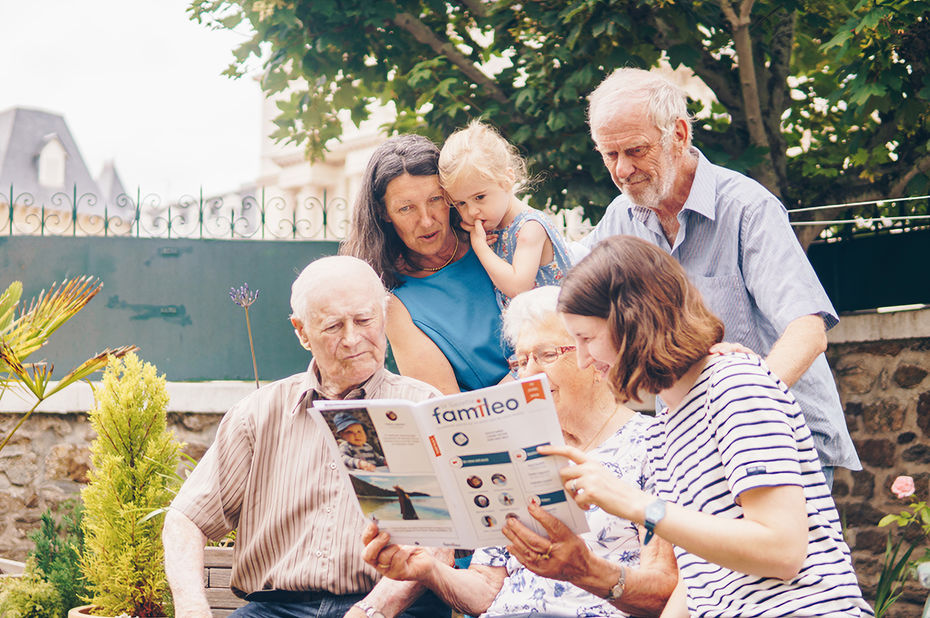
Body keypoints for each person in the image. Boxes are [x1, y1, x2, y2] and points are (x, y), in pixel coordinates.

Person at [547, 235, 872, 617]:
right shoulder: (663, 425)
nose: (584, 361)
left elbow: (782, 551)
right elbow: (699, 576)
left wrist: (637, 505)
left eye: (587, 339)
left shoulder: (734, 386)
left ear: (632, 322)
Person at [576, 68, 859, 483]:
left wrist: (739, 410)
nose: (622, 170)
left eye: (635, 150)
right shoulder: (622, 215)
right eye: (609, 155)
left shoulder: (747, 207)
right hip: (691, 443)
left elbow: (808, 332)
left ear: (679, 134)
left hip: (780, 435)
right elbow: (567, 294)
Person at [361, 286, 678, 618]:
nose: (529, 374)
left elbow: (663, 588)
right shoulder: (516, 450)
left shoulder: (652, 444)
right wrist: (428, 571)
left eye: (547, 355)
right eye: (522, 361)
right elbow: (486, 589)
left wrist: (586, 571)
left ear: (597, 358)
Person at [162, 256, 450, 618]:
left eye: (364, 320)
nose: (352, 339)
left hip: (392, 608)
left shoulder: (421, 408)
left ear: (384, 313)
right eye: (333, 326)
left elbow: (441, 541)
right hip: (277, 609)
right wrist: (191, 606)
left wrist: (372, 610)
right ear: (301, 331)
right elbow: (186, 518)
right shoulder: (259, 413)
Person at [341, 134, 509, 395]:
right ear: (383, 213)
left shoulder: (495, 237)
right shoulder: (393, 301)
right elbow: (447, 409)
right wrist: (528, 375)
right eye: (407, 208)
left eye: (435, 200)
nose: (427, 220)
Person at [439, 121, 572, 309]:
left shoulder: (530, 228)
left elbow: (518, 288)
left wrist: (480, 247)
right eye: (461, 203)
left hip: (559, 330)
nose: (471, 212)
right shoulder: (494, 227)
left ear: (507, 179)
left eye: (479, 197)